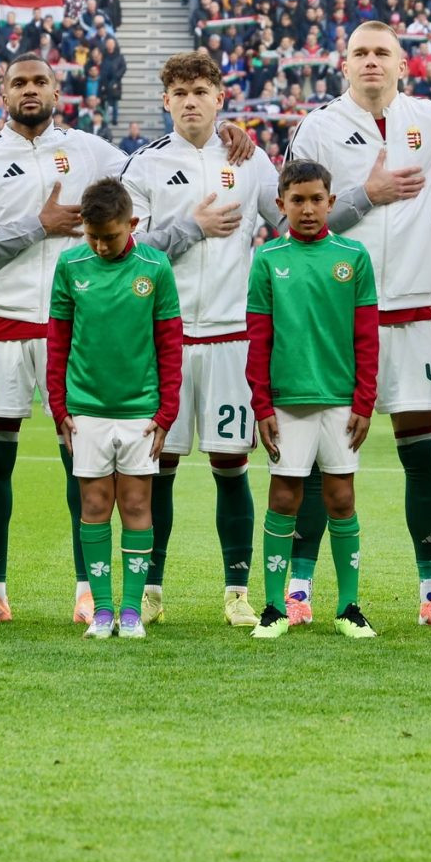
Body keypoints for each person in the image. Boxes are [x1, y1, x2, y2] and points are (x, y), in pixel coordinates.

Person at [290, 20, 431, 628]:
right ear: (343, 65)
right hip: (334, 319)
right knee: (320, 460)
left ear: (403, 64)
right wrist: (366, 194)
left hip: (411, 315)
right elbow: (293, 220)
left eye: (382, 53)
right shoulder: (318, 128)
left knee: (421, 456)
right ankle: (299, 590)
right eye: (360, 53)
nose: (371, 61)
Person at [0, 52, 126, 626]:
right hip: (3, 324)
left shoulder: (93, 152)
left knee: (81, 462)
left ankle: (87, 591)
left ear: (56, 90)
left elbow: (150, 174)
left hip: (75, 327)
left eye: (40, 81)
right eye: (19, 82)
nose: (30, 89)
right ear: (3, 94)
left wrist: (223, 138)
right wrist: (37, 226)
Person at [120, 51, 276, 628]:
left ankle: (237, 592)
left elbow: (289, 223)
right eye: (180, 93)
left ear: (219, 98)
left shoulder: (251, 160)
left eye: (200, 91)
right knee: (158, 465)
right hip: (166, 337)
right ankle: (151, 589)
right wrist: (194, 228)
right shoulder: (144, 166)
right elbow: (127, 247)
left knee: (231, 465)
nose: (190, 101)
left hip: (232, 337)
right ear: (166, 101)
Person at [246, 160, 379, 641]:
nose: (306, 209)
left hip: (341, 401)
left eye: (316, 199)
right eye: (297, 200)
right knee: (284, 497)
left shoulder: (353, 256)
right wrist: (262, 405)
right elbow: (259, 339)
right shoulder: (268, 259)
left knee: (341, 498)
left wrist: (364, 401)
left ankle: (348, 607)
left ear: (331, 201)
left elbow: (367, 336)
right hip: (287, 401)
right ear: (280, 204)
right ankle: (274, 608)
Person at [48, 177, 184, 639]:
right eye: (93, 237)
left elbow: (170, 344)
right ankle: (102, 610)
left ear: (133, 223)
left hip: (141, 412)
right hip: (86, 409)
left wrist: (166, 412)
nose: (101, 246)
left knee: (137, 504)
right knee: (93, 504)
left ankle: (131, 611)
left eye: (110, 236)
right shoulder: (70, 266)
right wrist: (58, 405)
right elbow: (58, 341)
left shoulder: (156, 268)